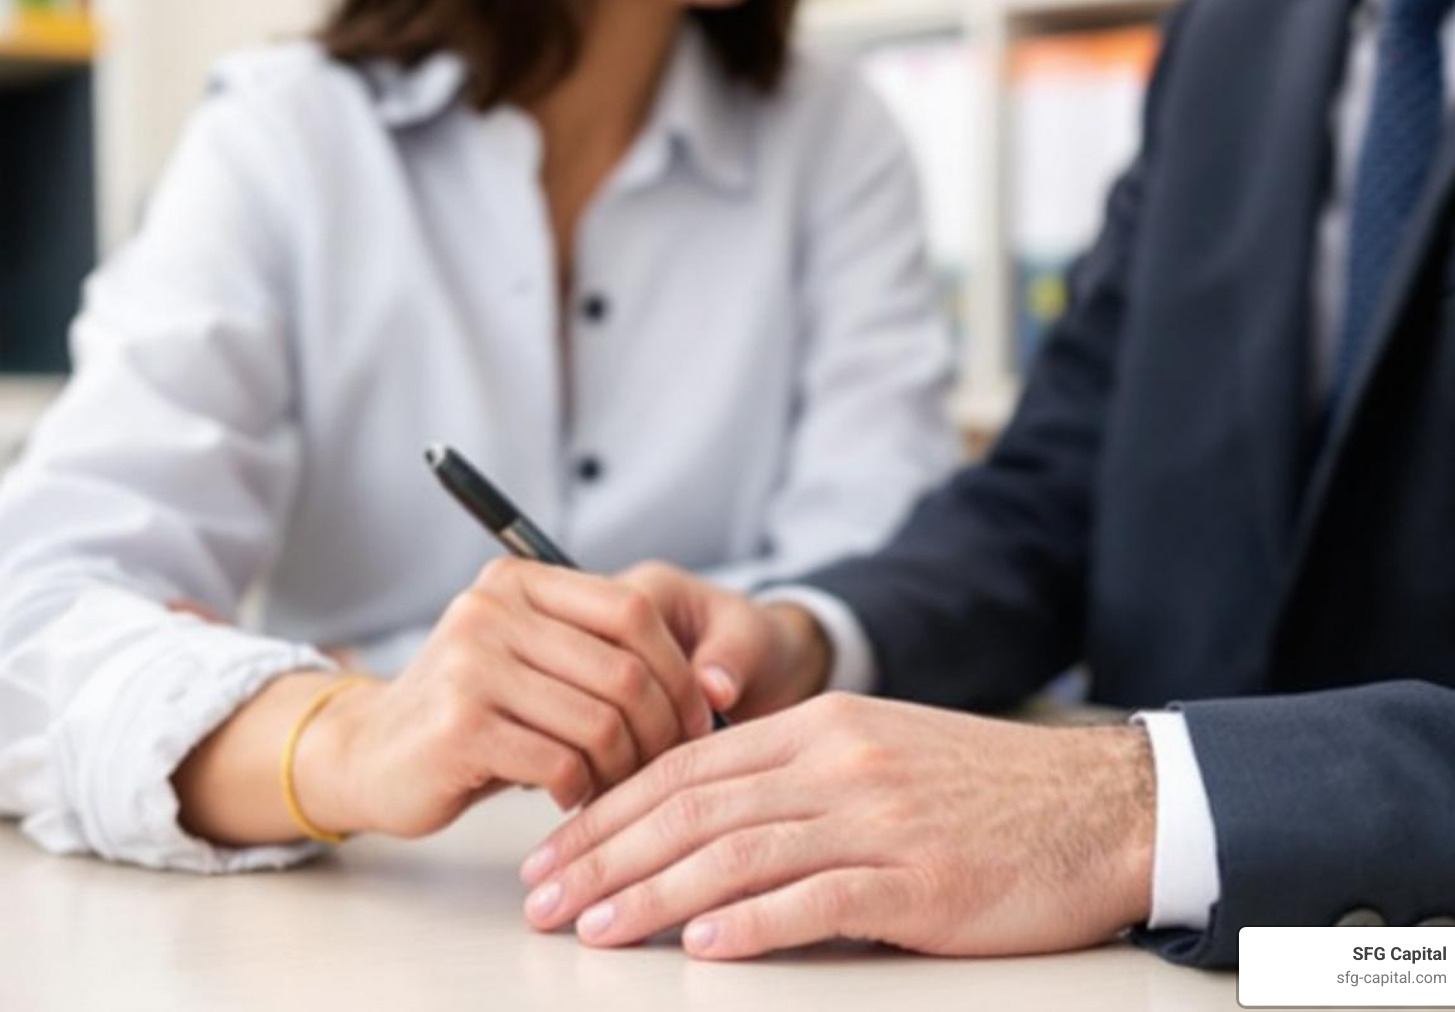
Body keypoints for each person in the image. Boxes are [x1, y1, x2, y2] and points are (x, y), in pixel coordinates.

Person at [508, 0, 1455, 967]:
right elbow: (1055, 483)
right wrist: (812, 636)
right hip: (1146, 967)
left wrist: (1136, 806)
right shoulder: (1237, 28)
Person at [0, 0, 956, 868]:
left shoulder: (836, 134)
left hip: (751, 863)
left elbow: (891, 580)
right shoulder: (285, 135)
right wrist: (353, 732)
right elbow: (29, 626)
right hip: (378, 912)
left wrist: (382, 664)